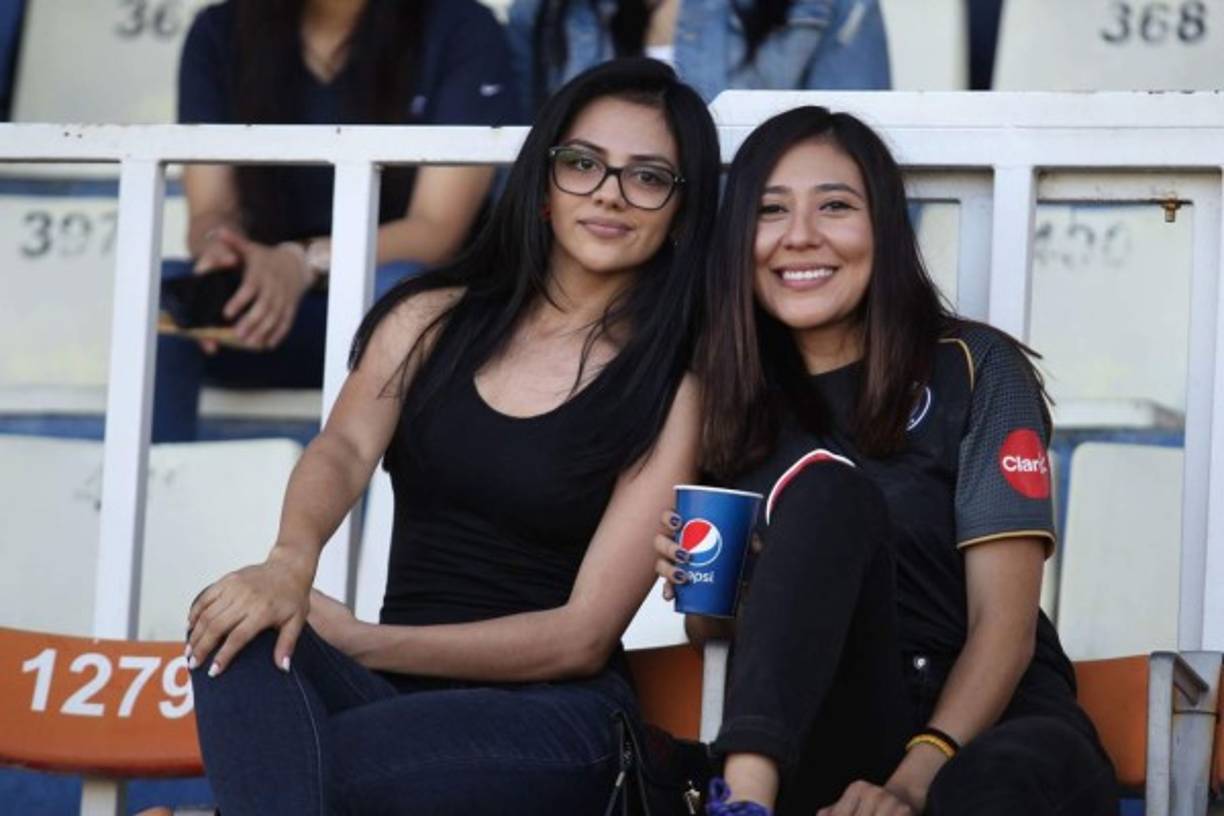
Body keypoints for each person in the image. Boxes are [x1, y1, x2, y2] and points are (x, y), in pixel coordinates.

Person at [184, 58, 721, 814]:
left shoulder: (672, 384)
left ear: (679, 213)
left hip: (554, 717)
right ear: (542, 185)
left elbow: (581, 636)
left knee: (307, 766)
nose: (609, 192)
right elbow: (341, 449)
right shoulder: (429, 319)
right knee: (233, 622)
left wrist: (366, 641)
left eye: (649, 176)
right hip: (389, 694)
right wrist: (287, 566)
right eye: (583, 164)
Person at [653, 106, 1118, 815]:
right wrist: (712, 581)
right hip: (832, 725)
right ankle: (740, 802)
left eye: (835, 206)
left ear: (886, 229)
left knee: (998, 782)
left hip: (991, 726)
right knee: (826, 496)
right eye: (770, 211)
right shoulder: (727, 396)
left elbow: (1006, 625)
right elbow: (713, 632)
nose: (800, 235)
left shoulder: (973, 366)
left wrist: (910, 782)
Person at [154, 0, 520, 441]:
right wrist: (222, 248)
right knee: (164, 297)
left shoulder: (460, 26)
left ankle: (365, 508)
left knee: (400, 294)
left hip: (413, 318)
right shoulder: (219, 31)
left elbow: (436, 231)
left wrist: (301, 262)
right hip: (273, 314)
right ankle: (156, 497)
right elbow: (211, 209)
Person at [507, 0, 892, 114]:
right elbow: (518, 173)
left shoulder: (829, 6)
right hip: (604, 286)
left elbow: (869, 168)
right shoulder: (543, 12)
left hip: (751, 281)